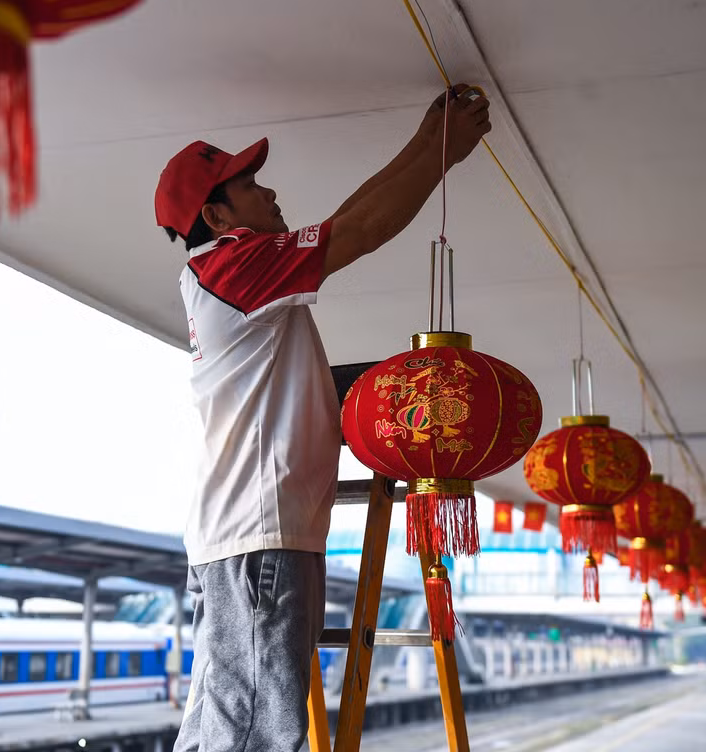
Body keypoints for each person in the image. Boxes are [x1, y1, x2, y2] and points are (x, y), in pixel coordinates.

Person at [154, 84, 491, 752]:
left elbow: (350, 218)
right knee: (253, 734)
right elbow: (357, 229)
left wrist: (432, 141)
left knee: (223, 727)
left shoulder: (230, 282)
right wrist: (439, 150)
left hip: (249, 535)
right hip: (259, 535)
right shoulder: (233, 265)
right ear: (218, 214)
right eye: (251, 186)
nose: (270, 194)